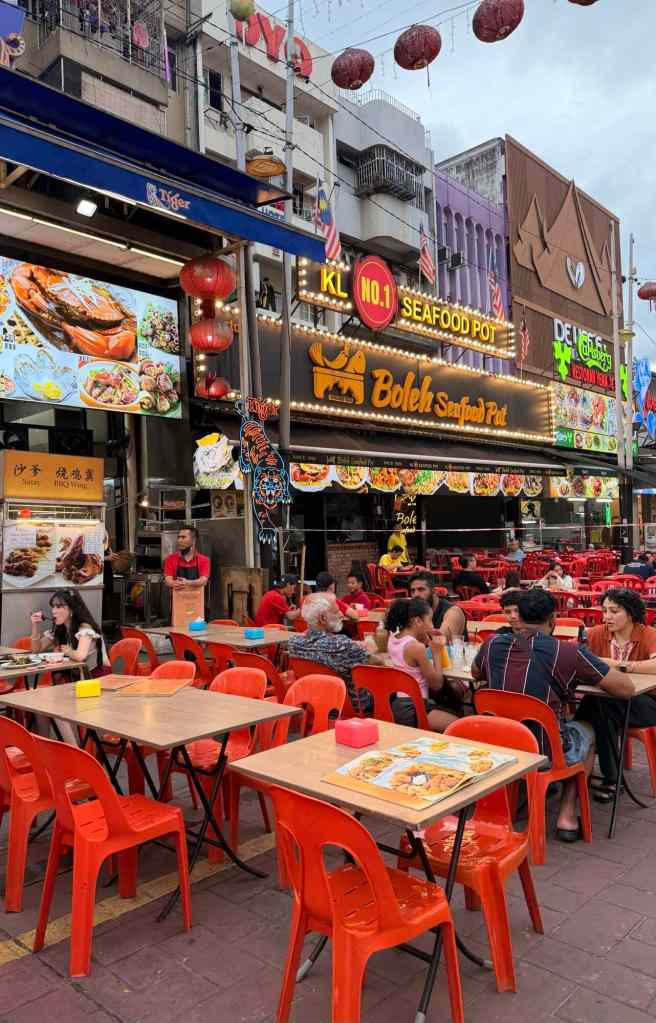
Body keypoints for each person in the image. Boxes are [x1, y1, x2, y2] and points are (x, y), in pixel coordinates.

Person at [472, 589, 633, 841]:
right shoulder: (567, 652)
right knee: (587, 729)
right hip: (545, 750)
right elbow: (625, 689)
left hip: (500, 743)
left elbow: (476, 674)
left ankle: (517, 795)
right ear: (553, 619)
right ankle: (567, 814)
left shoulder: (492, 644)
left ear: (518, 617)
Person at [579, 588, 656, 800]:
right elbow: (577, 656)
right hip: (609, 700)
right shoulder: (596, 633)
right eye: (604, 611)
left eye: (614, 611)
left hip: (648, 702)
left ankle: (597, 773)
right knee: (599, 707)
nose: (607, 617)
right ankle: (603, 775)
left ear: (630, 613)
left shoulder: (648, 634)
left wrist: (619, 665)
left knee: (599, 707)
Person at [287, 592, 384, 711]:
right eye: (336, 611)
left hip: (314, 704)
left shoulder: (293, 643)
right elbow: (378, 664)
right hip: (351, 707)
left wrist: (356, 646)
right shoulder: (341, 645)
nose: (341, 614)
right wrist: (373, 650)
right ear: (323, 618)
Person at [385, 598, 461, 732]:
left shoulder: (393, 638)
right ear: (418, 621)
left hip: (398, 704)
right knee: (459, 725)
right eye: (430, 620)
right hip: (415, 707)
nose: (432, 625)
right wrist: (436, 651)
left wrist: (424, 640)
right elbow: (437, 684)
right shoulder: (416, 647)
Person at [30, 589, 107, 669]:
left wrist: (68, 651)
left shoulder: (85, 629)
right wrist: (35, 625)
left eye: (58, 607)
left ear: (71, 609)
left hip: (96, 674)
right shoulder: (60, 629)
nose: (53, 611)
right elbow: (36, 649)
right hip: (76, 674)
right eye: (53, 607)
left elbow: (80, 656)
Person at [408, 570, 465, 641]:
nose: (416, 594)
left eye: (421, 589)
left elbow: (441, 641)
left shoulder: (453, 612)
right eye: (413, 591)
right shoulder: (415, 611)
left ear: (433, 591)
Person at [163, 526, 210, 593]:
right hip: (177, 598)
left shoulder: (204, 560)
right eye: (178, 537)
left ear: (193, 540)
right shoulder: (170, 559)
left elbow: (203, 581)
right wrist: (173, 583)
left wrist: (187, 582)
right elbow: (168, 580)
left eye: (183, 537)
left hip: (197, 598)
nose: (179, 540)